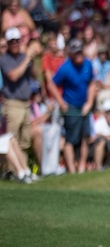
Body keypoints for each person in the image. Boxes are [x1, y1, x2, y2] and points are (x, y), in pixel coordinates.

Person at [50, 38, 98, 173]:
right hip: (71, 107)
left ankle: (81, 166)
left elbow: (92, 83)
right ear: (71, 53)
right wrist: (60, 102)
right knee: (70, 139)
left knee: (85, 137)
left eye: (80, 52)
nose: (79, 55)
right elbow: (52, 83)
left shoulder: (88, 64)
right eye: (76, 53)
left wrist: (89, 103)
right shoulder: (65, 68)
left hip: (84, 106)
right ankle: (71, 168)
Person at [1, 28, 43, 161]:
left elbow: (35, 75)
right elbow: (13, 76)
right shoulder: (4, 59)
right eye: (12, 41)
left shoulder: (23, 57)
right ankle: (13, 172)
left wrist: (32, 58)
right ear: (7, 43)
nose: (14, 44)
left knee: (24, 142)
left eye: (17, 41)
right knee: (12, 140)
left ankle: (24, 172)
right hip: (12, 103)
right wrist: (26, 61)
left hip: (26, 104)